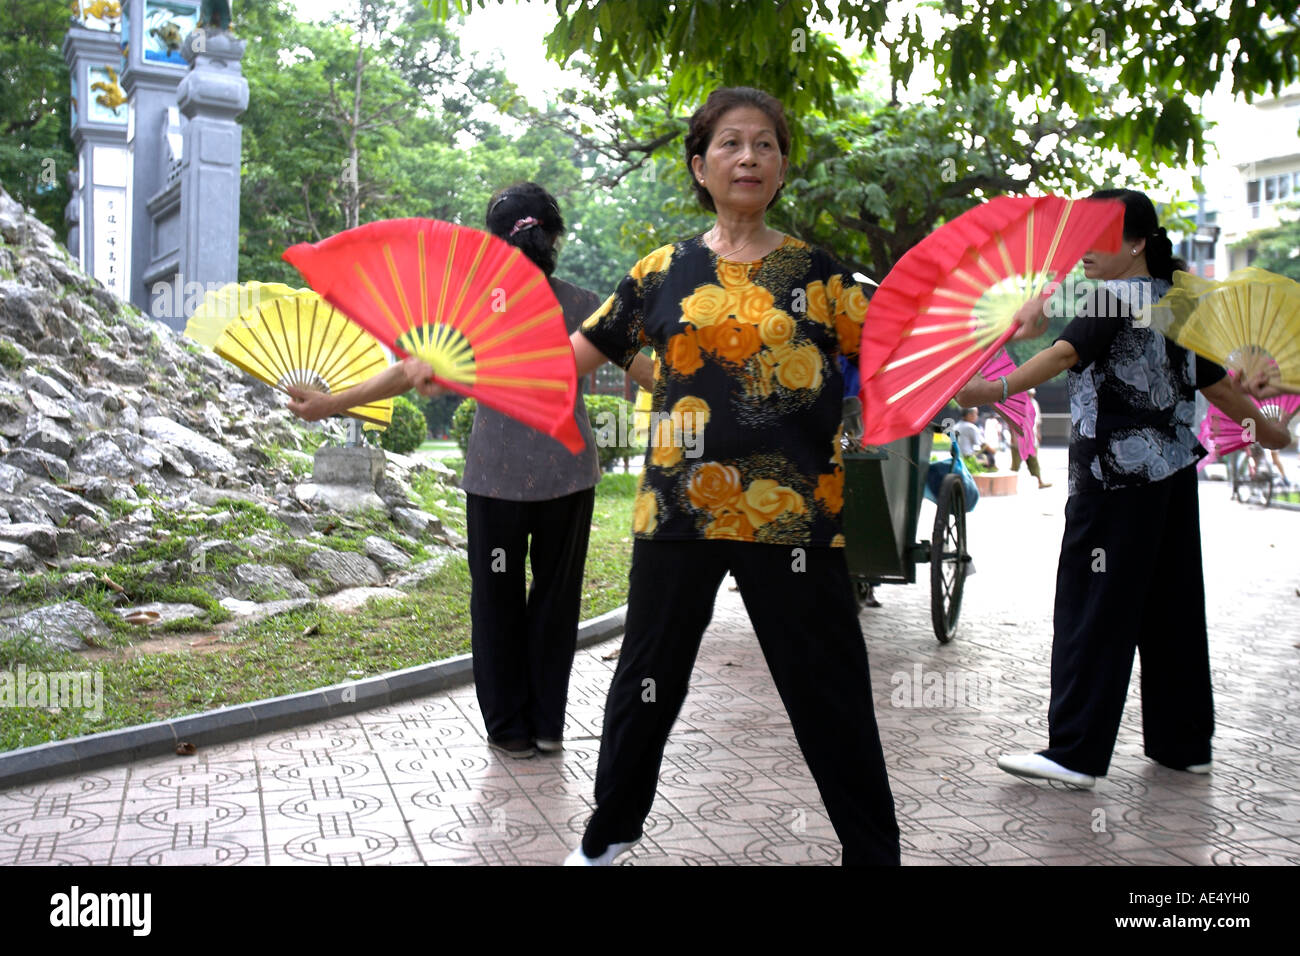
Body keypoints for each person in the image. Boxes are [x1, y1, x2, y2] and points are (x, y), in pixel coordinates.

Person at [563, 86, 900, 866]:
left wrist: (1002, 355)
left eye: (766, 145)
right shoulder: (663, 271)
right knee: (647, 680)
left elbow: (905, 362)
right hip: (678, 511)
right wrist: (446, 372)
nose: (749, 156)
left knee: (830, 690)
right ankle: (606, 838)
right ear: (700, 165)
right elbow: (566, 361)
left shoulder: (821, 275)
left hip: (794, 517)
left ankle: (874, 854)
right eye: (730, 143)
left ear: (781, 169)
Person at [286, 182, 653, 760]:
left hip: (495, 478)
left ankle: (509, 729)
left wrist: (326, 404)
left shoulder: (467, 312)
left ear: (491, 244)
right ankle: (548, 726)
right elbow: (651, 371)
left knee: (497, 600)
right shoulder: (585, 305)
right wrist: (714, 393)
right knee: (556, 601)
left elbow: (408, 373)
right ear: (553, 238)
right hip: (569, 474)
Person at [955, 188, 1292, 789]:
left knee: (1094, 609)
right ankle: (1183, 744)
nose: (1086, 248)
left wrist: (993, 391)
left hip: (1113, 482)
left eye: (1101, 235)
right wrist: (1265, 427)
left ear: (1137, 243)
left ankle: (1076, 754)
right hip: (1172, 481)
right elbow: (1217, 387)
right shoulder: (1177, 303)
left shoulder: (1114, 298)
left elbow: (1063, 354)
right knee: (1174, 610)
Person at [1008, 388, 1052, 489]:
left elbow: (1037, 421)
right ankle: (1010, 484)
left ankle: (1040, 481)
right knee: (1016, 463)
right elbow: (1011, 421)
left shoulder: (1034, 403)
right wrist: (1012, 436)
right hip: (1019, 437)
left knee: (1034, 461)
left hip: (1032, 437)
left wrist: (1039, 433)